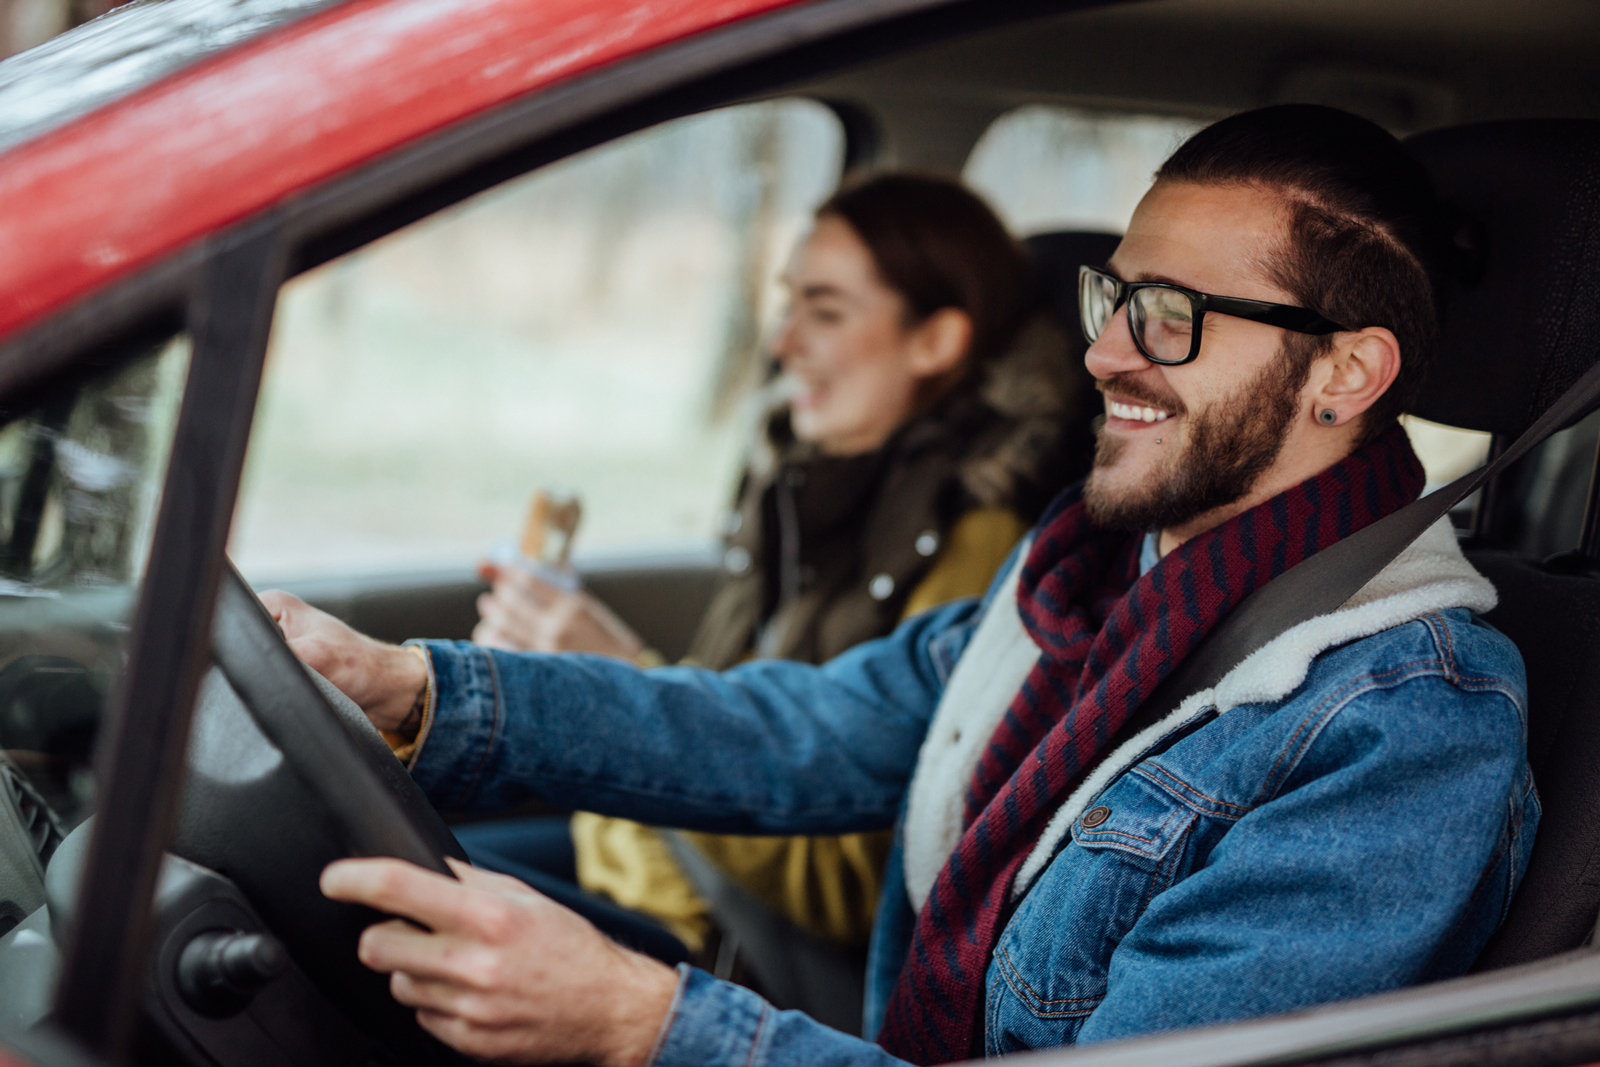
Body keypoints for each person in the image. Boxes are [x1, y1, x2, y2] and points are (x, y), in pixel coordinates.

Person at [270, 105, 1538, 1067]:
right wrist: (422, 687)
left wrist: (643, 1018)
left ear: (1346, 373)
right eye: (1114, 295)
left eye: (1168, 313)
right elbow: (802, 729)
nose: (1102, 349)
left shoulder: (1405, 723)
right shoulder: (1093, 574)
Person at [460, 173, 1095, 962]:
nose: (783, 342)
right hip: (663, 869)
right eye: (787, 302)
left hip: (742, 955)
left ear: (936, 341)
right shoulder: (801, 491)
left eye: (824, 312)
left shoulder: (978, 554)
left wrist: (621, 673)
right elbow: (740, 707)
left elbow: (853, 889)